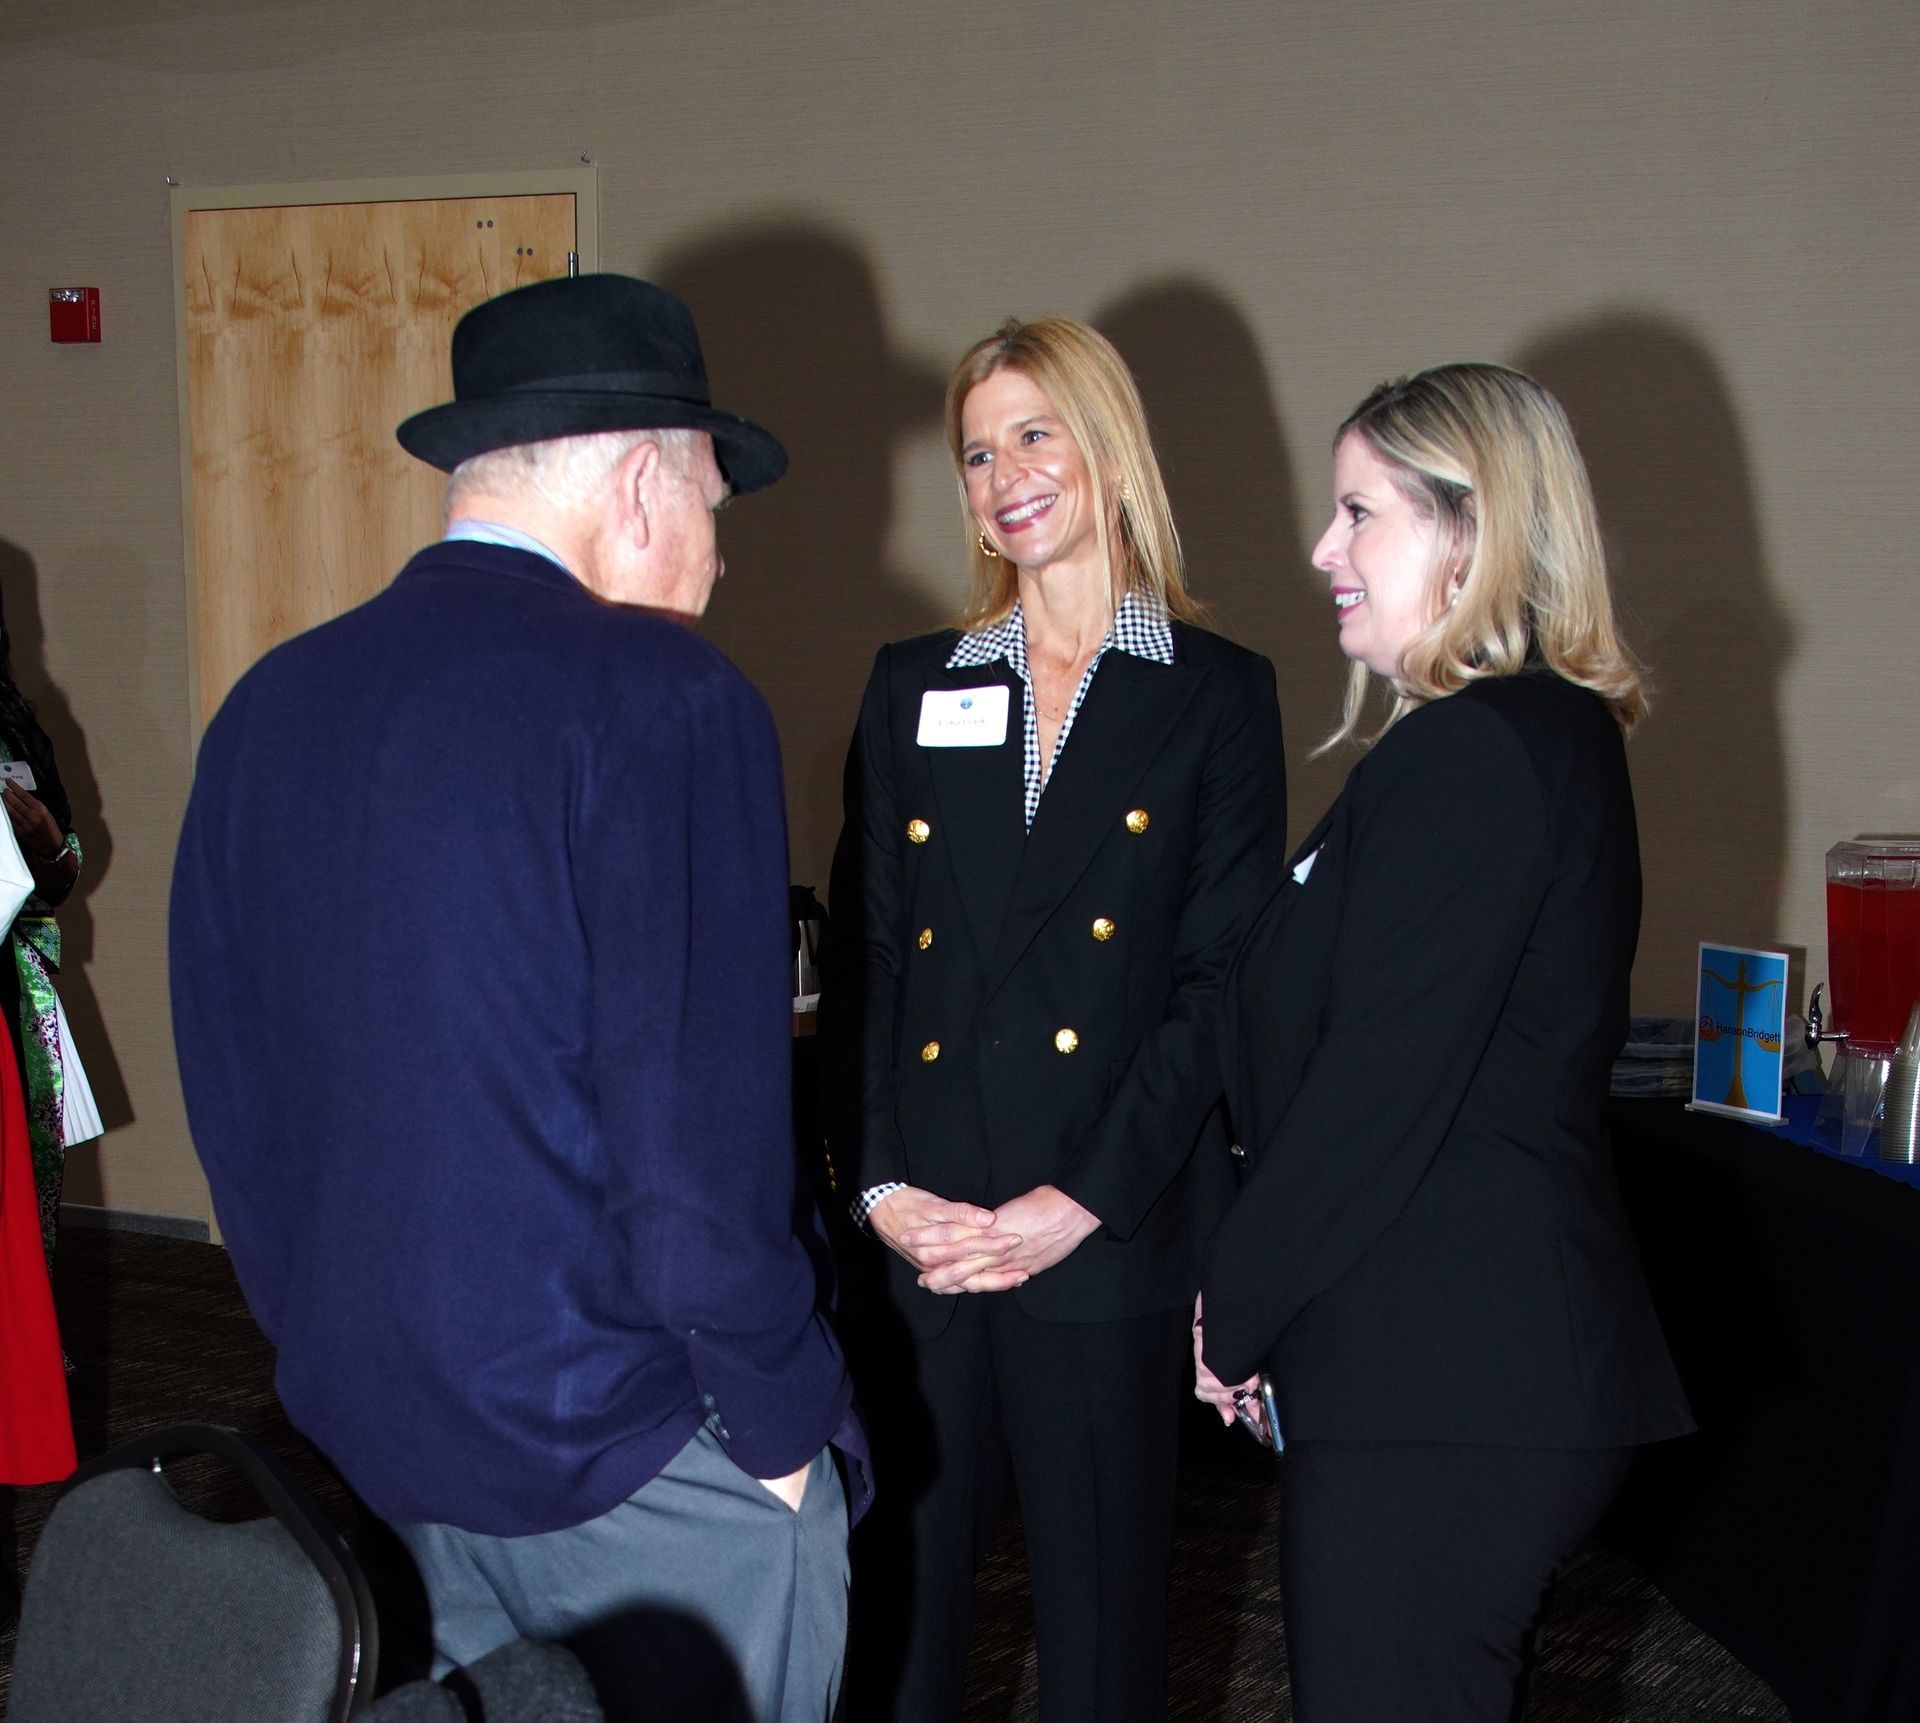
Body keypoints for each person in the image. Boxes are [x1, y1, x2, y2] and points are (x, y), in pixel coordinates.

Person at [170, 273, 866, 1722]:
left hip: (381, 1432)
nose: (719, 557)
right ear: (640, 483)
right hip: (634, 1447)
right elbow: (695, 1158)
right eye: (714, 507)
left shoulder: (269, 704)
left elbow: (234, 1094)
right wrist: (782, 1431)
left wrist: (333, 1349)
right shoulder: (665, 693)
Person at [1194, 363, 1694, 1721]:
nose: (1323, 549)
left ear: (1470, 533)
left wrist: (1235, 1305)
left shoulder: (1475, 752)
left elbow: (1374, 1091)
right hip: (1467, 1373)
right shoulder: (1536, 736)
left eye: (1360, 512)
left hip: (1445, 1380)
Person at [820, 315, 1286, 1722]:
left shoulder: (1217, 695)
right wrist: (882, 1187)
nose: (1003, 474)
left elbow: (1219, 986)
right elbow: (865, 957)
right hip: (930, 1236)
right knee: (900, 1627)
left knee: (1101, 1641)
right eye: (976, 452)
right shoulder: (918, 683)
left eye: (1035, 434)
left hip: (1101, 1232)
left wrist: (1075, 1201)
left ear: (1110, 449)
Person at [0, 609, 97, 1265]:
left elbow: (62, 875)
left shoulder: (16, 723)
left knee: (23, 1182)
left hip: (13, 982)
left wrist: (51, 846)